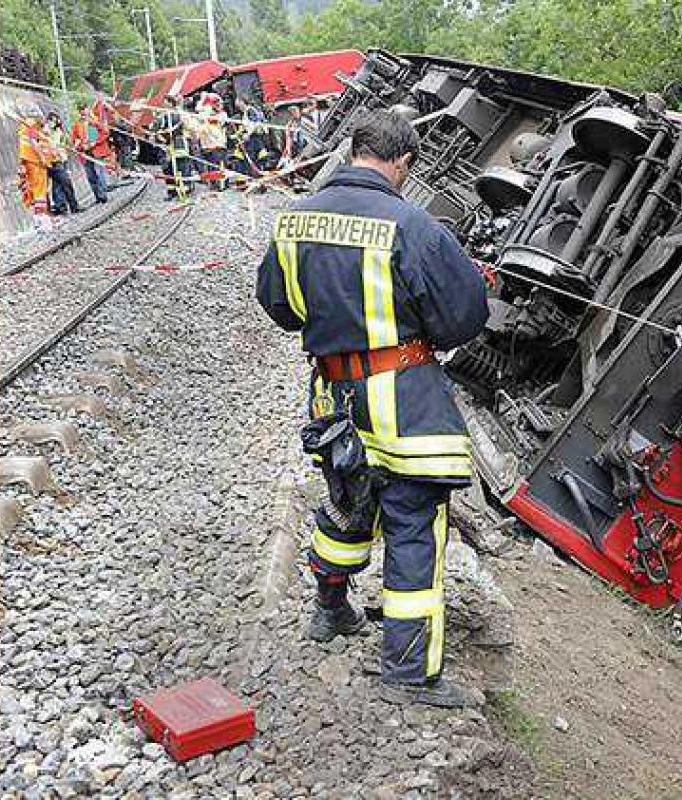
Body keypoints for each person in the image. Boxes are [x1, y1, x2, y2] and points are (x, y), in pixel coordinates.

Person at [255, 110, 490, 708]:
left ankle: (330, 609)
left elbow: (278, 305)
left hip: (333, 397)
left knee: (347, 498)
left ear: (353, 150)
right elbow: (465, 317)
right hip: (403, 399)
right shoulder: (414, 226)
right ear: (403, 162)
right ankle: (409, 674)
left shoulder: (293, 219)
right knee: (414, 521)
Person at [18, 109, 56, 226]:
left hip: (28, 160)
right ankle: (42, 218)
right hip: (35, 161)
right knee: (39, 188)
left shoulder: (24, 126)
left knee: (35, 188)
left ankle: (38, 218)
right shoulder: (32, 125)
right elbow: (33, 142)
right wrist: (42, 157)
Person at [152, 95, 193, 200]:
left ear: (171, 103)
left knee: (182, 167)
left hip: (177, 144)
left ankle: (185, 189)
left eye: (165, 102)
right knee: (168, 169)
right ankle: (172, 191)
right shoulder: (162, 115)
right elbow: (154, 129)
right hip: (165, 147)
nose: (163, 104)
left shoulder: (177, 114)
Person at [71, 107, 110, 204]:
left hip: (95, 151)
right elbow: (75, 139)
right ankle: (98, 195)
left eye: (86, 113)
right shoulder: (77, 125)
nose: (84, 116)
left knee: (99, 172)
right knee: (90, 175)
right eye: (82, 114)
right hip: (85, 152)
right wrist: (79, 146)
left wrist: (95, 142)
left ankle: (102, 194)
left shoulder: (94, 123)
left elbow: (105, 133)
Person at [45, 112, 80, 216]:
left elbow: (64, 143)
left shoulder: (59, 131)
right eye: (52, 120)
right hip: (54, 161)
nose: (54, 122)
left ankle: (61, 207)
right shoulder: (46, 131)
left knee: (58, 185)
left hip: (62, 159)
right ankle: (72, 206)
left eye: (56, 120)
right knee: (65, 184)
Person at [196, 93, 229, 190]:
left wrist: (204, 103)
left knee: (219, 166)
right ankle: (213, 184)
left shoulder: (222, 114)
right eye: (215, 103)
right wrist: (203, 100)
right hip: (207, 145)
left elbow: (217, 119)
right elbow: (199, 112)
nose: (218, 105)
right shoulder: (205, 113)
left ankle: (221, 185)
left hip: (218, 144)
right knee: (211, 166)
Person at [236, 97, 272, 175]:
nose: (237, 105)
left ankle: (254, 175)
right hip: (254, 137)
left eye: (238, 103)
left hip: (253, 137)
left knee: (251, 157)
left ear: (243, 102)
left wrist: (247, 134)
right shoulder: (248, 111)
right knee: (255, 156)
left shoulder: (250, 110)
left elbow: (254, 123)